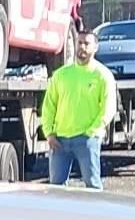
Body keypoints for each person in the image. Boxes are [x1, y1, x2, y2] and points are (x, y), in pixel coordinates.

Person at [40, 30, 113, 189]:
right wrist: (49, 133)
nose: (82, 47)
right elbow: (49, 106)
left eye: (87, 44)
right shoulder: (61, 75)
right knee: (56, 189)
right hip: (60, 141)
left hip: (87, 140)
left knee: (92, 186)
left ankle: (94, 214)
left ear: (95, 48)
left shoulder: (102, 75)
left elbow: (108, 108)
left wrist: (92, 132)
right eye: (79, 43)